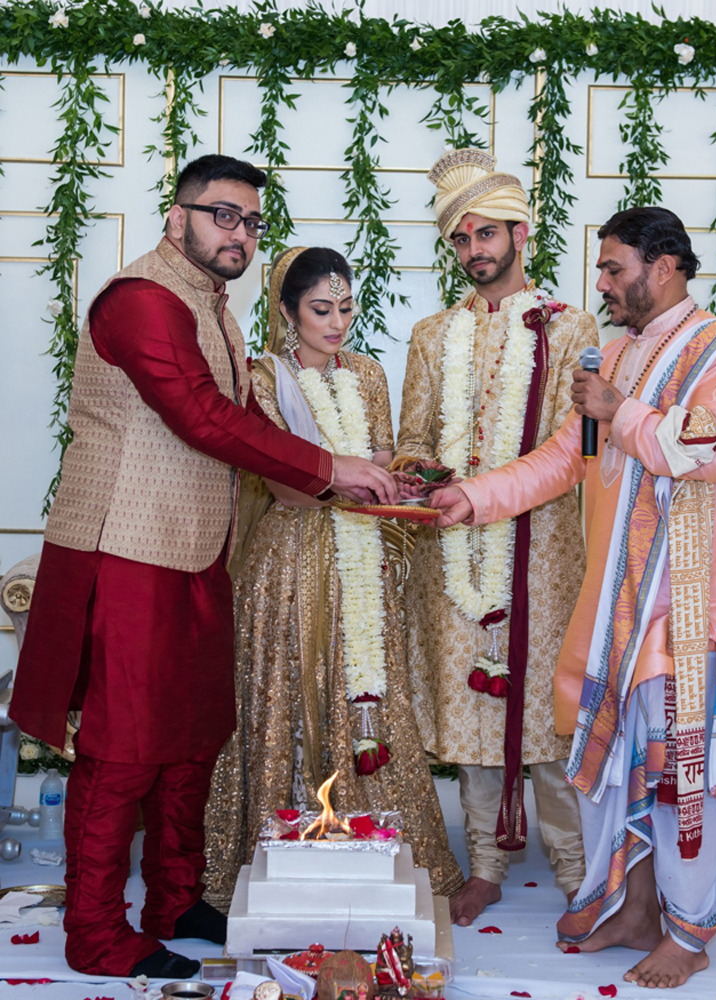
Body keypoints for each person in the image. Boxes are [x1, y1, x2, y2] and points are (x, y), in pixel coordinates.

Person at [9, 156, 398, 980]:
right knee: (122, 750)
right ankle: (94, 932)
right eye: (223, 216)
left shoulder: (211, 304)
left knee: (191, 737)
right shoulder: (141, 300)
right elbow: (197, 413)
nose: (240, 235)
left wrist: (344, 472)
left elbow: (247, 413)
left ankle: (174, 899)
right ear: (174, 214)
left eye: (252, 222)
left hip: (195, 547)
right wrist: (330, 469)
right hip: (125, 548)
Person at [431, 206, 716, 989]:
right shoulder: (616, 354)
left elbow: (712, 448)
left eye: (615, 268)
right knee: (615, 759)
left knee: (672, 765)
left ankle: (688, 932)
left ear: (666, 267)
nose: (603, 284)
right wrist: (473, 499)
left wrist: (622, 414)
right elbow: (561, 460)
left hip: (684, 605)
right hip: (616, 595)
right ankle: (631, 901)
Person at [203, 246, 464, 907]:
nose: (337, 322)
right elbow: (286, 488)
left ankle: (372, 846)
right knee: (286, 692)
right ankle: (274, 850)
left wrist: (398, 478)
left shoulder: (368, 375)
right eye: (321, 309)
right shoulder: (263, 380)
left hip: (359, 556)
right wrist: (359, 479)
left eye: (345, 308)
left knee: (367, 692)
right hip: (289, 560)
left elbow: (378, 458)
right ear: (287, 311)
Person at [393, 148, 598, 925]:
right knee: (472, 712)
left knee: (544, 715)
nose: (475, 249)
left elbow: (572, 451)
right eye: (460, 238)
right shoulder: (430, 335)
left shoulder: (573, 327)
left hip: (543, 554)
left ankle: (579, 875)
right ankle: (483, 863)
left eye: (487, 233)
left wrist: (489, 488)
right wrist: (423, 468)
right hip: (454, 553)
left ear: (521, 233)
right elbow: (414, 437)